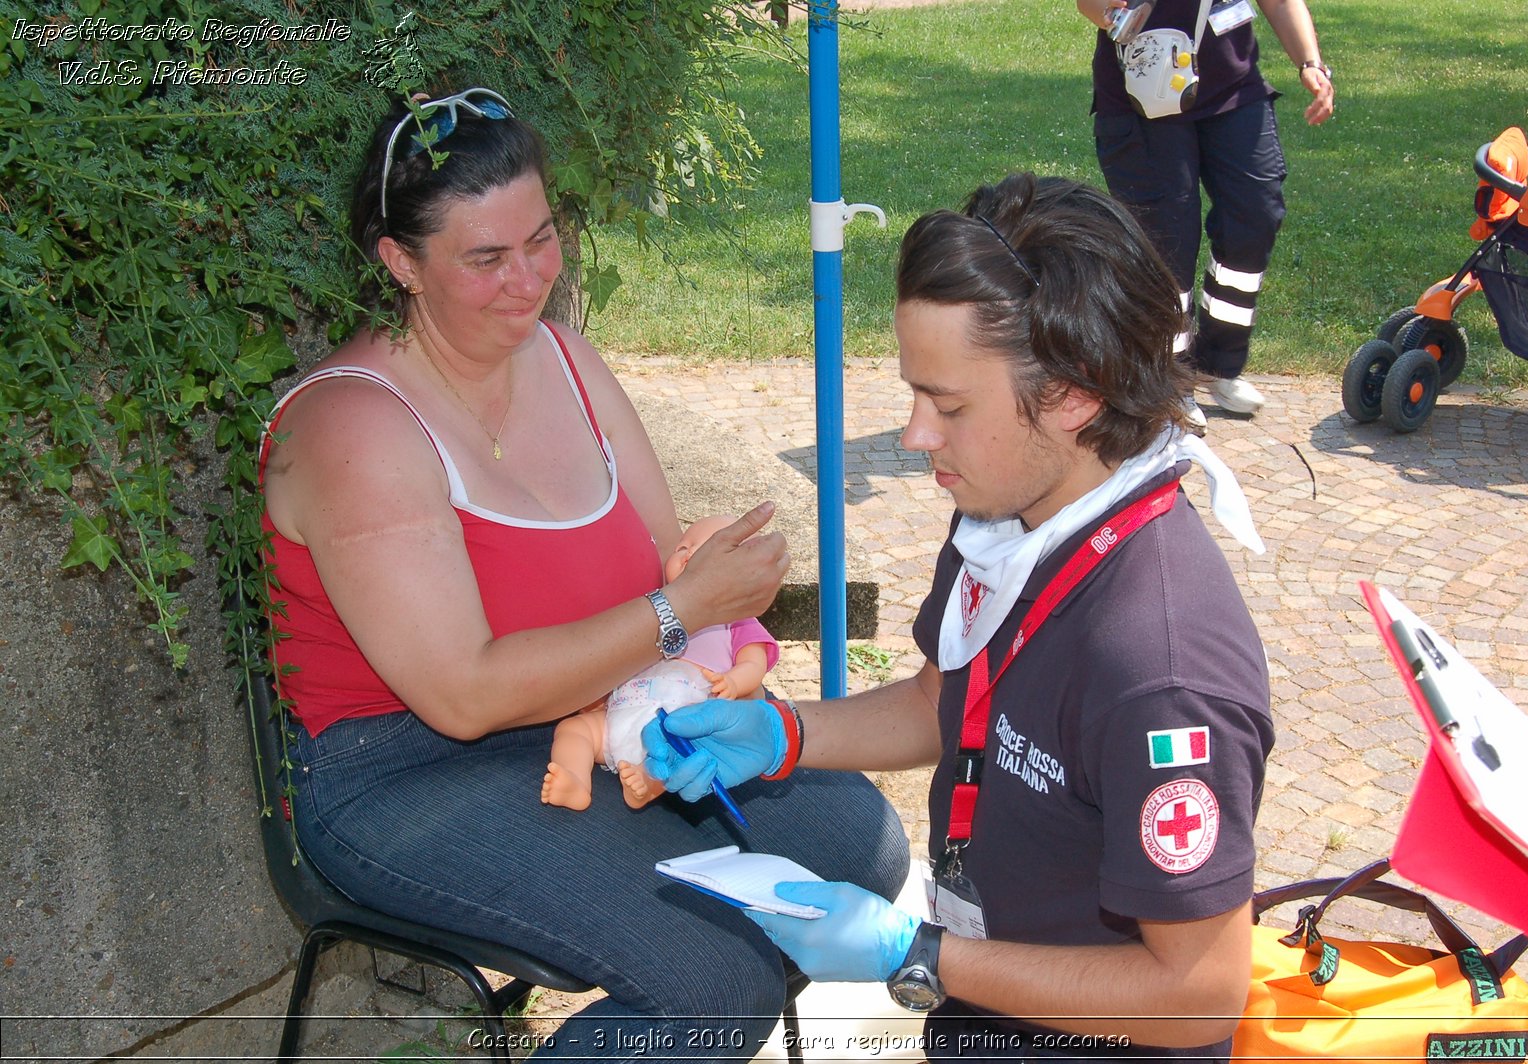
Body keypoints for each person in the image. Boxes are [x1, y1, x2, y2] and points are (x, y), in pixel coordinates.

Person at [257, 87, 907, 1060]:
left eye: (541, 238)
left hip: (598, 716)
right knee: (711, 978)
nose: (527, 279)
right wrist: (684, 606)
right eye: (485, 258)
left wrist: (706, 616)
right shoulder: (353, 428)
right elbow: (465, 695)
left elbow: (658, 568)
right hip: (407, 770)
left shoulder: (565, 355)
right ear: (399, 261)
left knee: (858, 841)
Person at [643, 174, 1274, 1060]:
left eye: (949, 405)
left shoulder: (1159, 667)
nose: (913, 436)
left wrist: (924, 955)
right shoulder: (1007, 510)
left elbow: (1199, 995)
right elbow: (948, 699)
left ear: (1075, 394)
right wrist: (782, 733)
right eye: (914, 393)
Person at [1079, 0, 1334, 426]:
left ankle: (1219, 362)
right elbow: (1091, 5)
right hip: (1147, 91)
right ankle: (1168, 379)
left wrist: (1311, 62)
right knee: (1166, 237)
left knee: (1256, 210)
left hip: (1232, 85)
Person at [542, 515, 779, 811]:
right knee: (573, 729)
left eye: (703, 550)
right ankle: (575, 780)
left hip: (685, 711)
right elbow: (620, 653)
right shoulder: (653, 606)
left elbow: (754, 666)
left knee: (675, 755)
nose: (688, 554)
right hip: (627, 705)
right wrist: (598, 694)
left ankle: (645, 785)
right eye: (683, 547)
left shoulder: (738, 620)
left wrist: (732, 682)